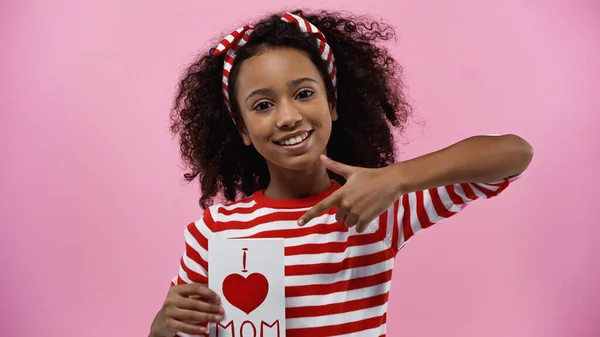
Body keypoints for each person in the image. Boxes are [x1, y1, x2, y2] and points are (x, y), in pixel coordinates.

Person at [149, 9, 534, 337]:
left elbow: (514, 153)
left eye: (304, 94)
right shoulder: (216, 231)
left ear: (333, 104)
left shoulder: (379, 205)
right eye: (263, 105)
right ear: (244, 131)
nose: (288, 117)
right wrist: (166, 322)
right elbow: (177, 328)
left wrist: (395, 179)